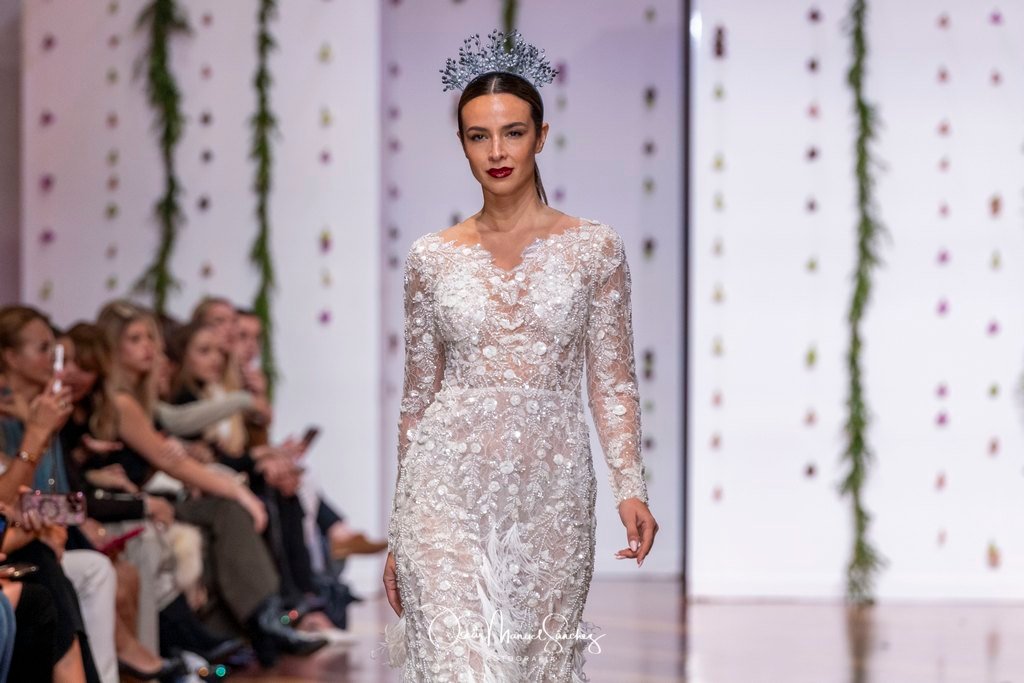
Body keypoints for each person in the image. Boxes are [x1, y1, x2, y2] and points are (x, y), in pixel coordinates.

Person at [381, 30, 659, 681]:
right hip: (443, 494)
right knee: (458, 668)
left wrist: (630, 487)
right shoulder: (431, 257)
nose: (497, 151)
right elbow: (418, 398)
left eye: (513, 132)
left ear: (541, 135)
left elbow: (612, 382)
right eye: (479, 136)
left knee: (534, 668)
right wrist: (399, 529)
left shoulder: (594, 248)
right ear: (462, 144)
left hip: (551, 496)